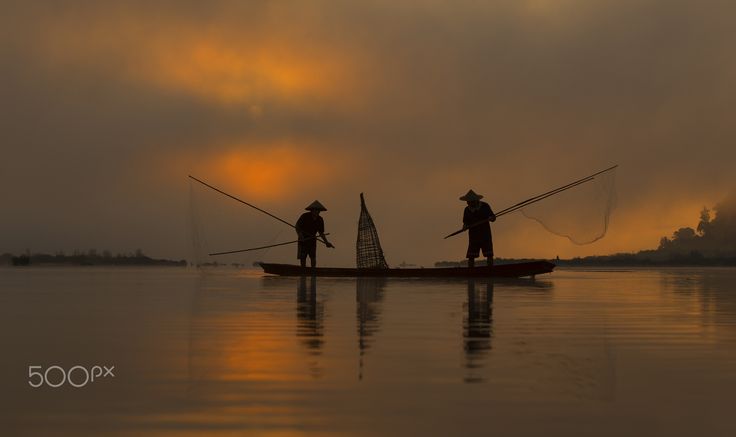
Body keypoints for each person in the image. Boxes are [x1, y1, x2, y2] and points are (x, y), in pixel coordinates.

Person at [460, 189, 496, 268]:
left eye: (470, 201)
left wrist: (491, 218)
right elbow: (465, 222)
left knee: (489, 254)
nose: (468, 203)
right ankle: (471, 270)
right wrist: (464, 227)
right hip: (473, 236)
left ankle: (490, 269)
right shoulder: (467, 210)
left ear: (475, 201)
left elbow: (493, 218)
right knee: (471, 256)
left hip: (485, 235)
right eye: (467, 201)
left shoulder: (485, 206)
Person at [296, 200, 335, 268]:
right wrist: (300, 235)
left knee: (313, 256)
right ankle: (303, 271)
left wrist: (326, 242)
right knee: (303, 256)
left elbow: (321, 233)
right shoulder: (304, 216)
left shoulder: (320, 219)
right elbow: (297, 226)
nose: (317, 212)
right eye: (316, 210)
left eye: (318, 210)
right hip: (303, 239)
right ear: (312, 210)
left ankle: (313, 271)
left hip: (312, 239)